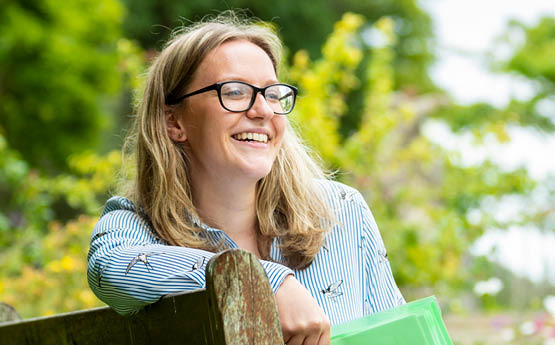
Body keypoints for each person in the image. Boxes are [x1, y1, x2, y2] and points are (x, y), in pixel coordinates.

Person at [87, 13, 404, 345]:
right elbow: (110, 269)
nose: (263, 110)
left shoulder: (340, 210)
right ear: (174, 122)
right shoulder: (134, 225)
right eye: (235, 92)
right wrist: (262, 282)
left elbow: (397, 336)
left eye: (272, 94)